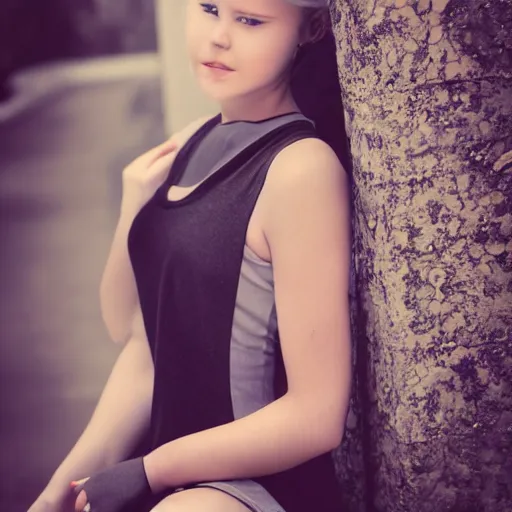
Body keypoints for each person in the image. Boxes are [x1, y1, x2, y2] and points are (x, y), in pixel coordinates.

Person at [28, 1, 353, 511]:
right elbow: (135, 338)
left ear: (310, 28)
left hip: (248, 488)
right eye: (208, 8)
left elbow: (317, 415)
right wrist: (57, 491)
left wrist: (151, 472)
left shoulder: (301, 171)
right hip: (164, 477)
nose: (219, 37)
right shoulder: (189, 145)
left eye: (249, 20)